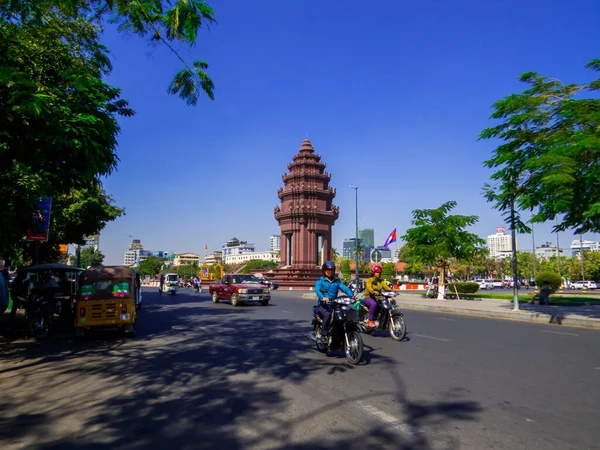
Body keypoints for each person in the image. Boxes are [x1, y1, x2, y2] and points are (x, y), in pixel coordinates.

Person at [314, 261, 355, 343]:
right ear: (324, 271)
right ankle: (323, 335)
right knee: (328, 315)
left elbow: (345, 288)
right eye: (328, 270)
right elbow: (318, 291)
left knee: (346, 312)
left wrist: (352, 295)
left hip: (335, 304)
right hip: (324, 305)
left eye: (332, 270)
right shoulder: (320, 281)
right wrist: (323, 297)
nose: (330, 272)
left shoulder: (337, 282)